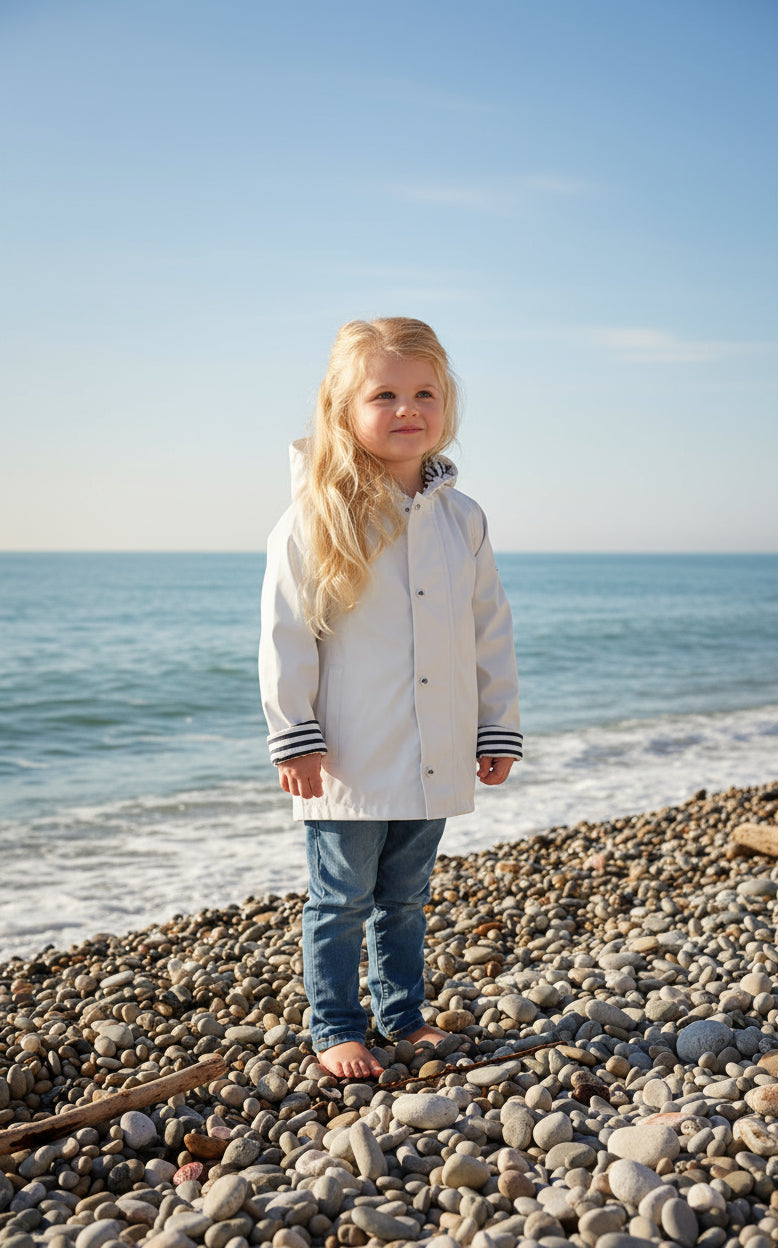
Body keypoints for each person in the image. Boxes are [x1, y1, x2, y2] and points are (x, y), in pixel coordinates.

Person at [259, 317, 522, 1080]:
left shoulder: (462, 518)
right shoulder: (317, 515)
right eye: (385, 394)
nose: (408, 408)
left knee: (405, 899)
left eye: (424, 392)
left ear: (447, 402)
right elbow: (285, 632)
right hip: (349, 749)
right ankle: (337, 1026)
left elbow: (489, 630)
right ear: (343, 409)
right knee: (340, 899)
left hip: (437, 746)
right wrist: (295, 732)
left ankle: (404, 1015)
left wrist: (497, 727)